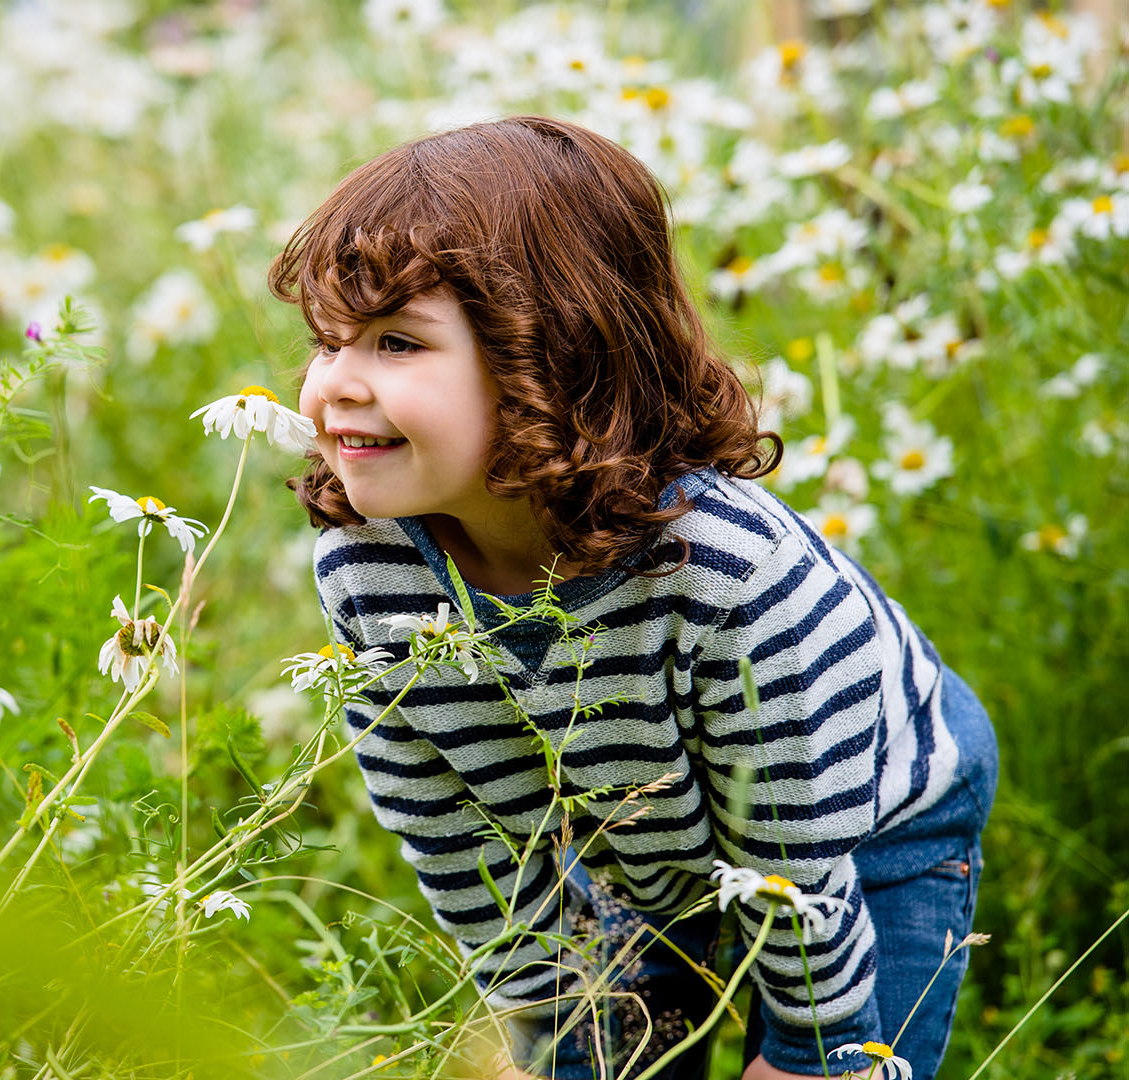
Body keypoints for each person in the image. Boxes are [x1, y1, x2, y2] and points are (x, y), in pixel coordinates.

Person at [268, 116, 998, 1080]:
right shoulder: (370, 571)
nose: (334, 388)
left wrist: (802, 1053)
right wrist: (541, 1029)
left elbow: (796, 860)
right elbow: (456, 840)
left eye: (396, 343)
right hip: (637, 850)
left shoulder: (723, 575)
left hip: (862, 831)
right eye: (329, 342)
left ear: (555, 358)